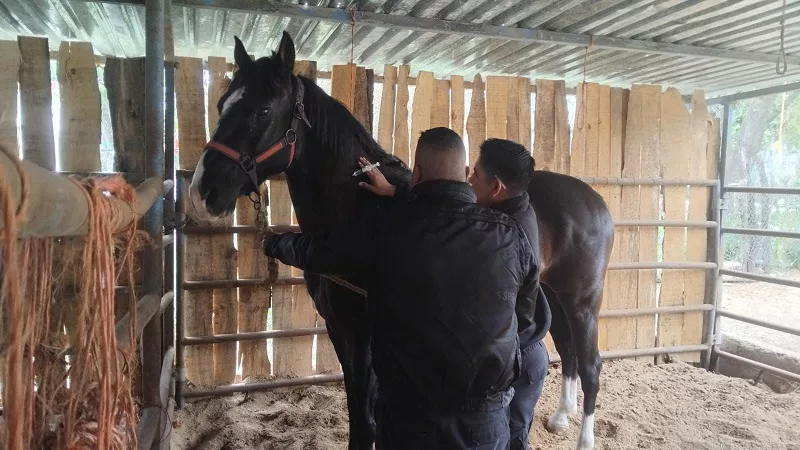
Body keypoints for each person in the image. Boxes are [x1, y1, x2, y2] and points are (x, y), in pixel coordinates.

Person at [262, 127, 537, 450]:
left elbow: (323, 252)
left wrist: (276, 244)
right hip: (486, 421)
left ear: (416, 174)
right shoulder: (511, 235)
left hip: (410, 419)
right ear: (464, 175)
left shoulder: (388, 227)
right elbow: (525, 318)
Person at [359, 138, 551, 450]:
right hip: (516, 354)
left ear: (497, 187)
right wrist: (396, 191)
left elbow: (447, 216)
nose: (468, 180)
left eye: (474, 175)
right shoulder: (502, 219)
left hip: (520, 360)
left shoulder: (506, 230)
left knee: (515, 440)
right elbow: (447, 206)